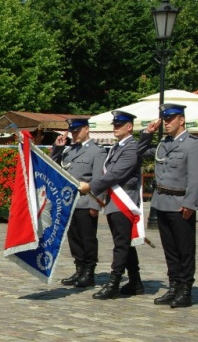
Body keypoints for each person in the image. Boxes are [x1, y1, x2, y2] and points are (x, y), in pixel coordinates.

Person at [139, 103, 198, 308]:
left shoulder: (193, 144)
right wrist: (147, 133)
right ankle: (174, 286)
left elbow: (197, 177)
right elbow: (140, 152)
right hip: (162, 203)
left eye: (170, 119)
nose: (166, 123)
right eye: (164, 120)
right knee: (170, 249)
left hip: (180, 204)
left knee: (184, 249)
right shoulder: (164, 143)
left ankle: (186, 290)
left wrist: (190, 203)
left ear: (182, 120)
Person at [78, 110, 144, 299]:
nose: (115, 127)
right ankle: (135, 281)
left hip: (124, 200)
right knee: (126, 242)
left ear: (129, 127)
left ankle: (114, 282)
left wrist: (91, 186)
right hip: (115, 199)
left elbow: (116, 174)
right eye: (114, 124)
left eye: (119, 125)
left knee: (121, 244)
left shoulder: (131, 147)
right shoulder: (117, 147)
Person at [52, 118, 107, 288]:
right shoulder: (69, 151)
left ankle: (89, 271)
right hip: (70, 202)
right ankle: (79, 268)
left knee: (87, 238)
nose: (74, 134)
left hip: (86, 200)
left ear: (86, 129)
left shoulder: (97, 151)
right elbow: (54, 166)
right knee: (73, 237)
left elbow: (99, 179)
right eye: (72, 131)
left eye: (77, 130)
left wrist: (96, 204)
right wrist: (58, 149)